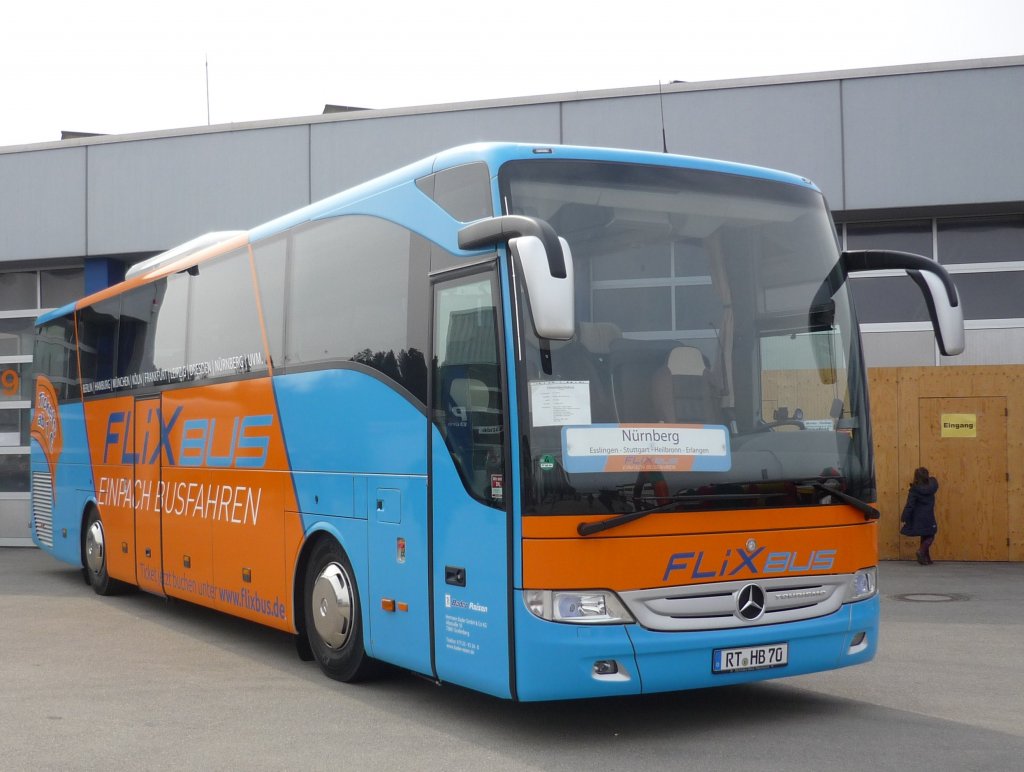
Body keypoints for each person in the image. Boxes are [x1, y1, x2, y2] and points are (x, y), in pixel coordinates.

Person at [901, 467, 939, 565]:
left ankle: (926, 558)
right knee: (930, 535)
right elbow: (933, 480)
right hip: (929, 516)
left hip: (918, 517)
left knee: (925, 535)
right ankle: (922, 552)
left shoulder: (914, 490)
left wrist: (905, 516)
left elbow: (910, 504)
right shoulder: (932, 485)